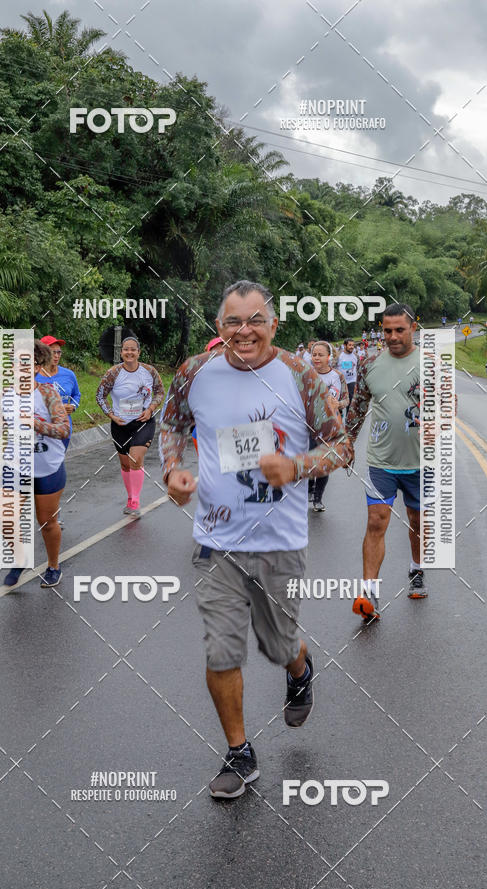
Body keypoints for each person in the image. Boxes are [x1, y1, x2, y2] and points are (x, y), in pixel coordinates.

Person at [159, 279, 352, 799]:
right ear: (219, 326)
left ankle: (300, 667)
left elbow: (341, 447)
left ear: (273, 323)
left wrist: (297, 465)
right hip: (217, 536)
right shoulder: (194, 372)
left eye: (255, 321)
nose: (244, 332)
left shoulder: (299, 374)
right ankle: (239, 753)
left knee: (277, 641)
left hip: (279, 539)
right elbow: (171, 423)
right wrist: (174, 468)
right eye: (232, 322)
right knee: (221, 648)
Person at [346, 302, 426, 622]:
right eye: (387, 330)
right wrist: (347, 443)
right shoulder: (369, 364)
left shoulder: (430, 363)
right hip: (381, 461)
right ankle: (369, 593)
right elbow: (357, 408)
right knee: (376, 522)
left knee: (417, 523)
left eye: (399, 330)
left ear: (413, 329)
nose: (392, 336)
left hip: (421, 463)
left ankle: (417, 569)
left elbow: (450, 405)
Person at [0, 340, 70, 588]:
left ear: (37, 366)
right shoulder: (5, 395)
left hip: (47, 467)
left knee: (47, 521)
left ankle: (53, 565)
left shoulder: (47, 393)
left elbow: (63, 429)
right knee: (6, 517)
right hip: (15, 465)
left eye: (28, 363)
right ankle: (20, 559)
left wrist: (36, 424)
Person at [96, 336, 165, 515]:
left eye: (133, 349)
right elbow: (100, 396)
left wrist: (150, 408)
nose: (129, 353)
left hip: (143, 422)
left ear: (138, 352)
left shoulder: (150, 371)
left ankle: (135, 501)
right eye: (126, 349)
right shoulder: (113, 373)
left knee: (136, 459)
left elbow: (159, 392)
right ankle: (130, 496)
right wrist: (111, 415)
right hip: (120, 424)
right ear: (121, 352)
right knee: (126, 464)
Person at [35, 335, 80, 528]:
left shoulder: (68, 374)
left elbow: (76, 394)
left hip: (62, 432)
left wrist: (73, 406)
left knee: (53, 468)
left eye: (59, 352)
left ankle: (53, 514)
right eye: (52, 352)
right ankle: (41, 510)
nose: (57, 355)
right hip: (36, 435)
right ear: (42, 354)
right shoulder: (34, 376)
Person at [308, 341, 347, 511]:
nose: (316, 358)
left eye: (320, 354)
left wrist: (339, 404)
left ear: (329, 357)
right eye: (314, 354)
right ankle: (309, 488)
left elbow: (346, 399)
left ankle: (318, 498)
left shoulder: (338, 376)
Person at [337, 337, 358, 406]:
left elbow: (358, 366)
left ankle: (348, 416)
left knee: (351, 401)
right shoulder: (339, 356)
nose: (352, 347)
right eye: (350, 345)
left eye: (353, 345)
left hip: (352, 381)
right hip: (341, 382)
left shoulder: (355, 355)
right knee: (340, 402)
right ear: (344, 345)